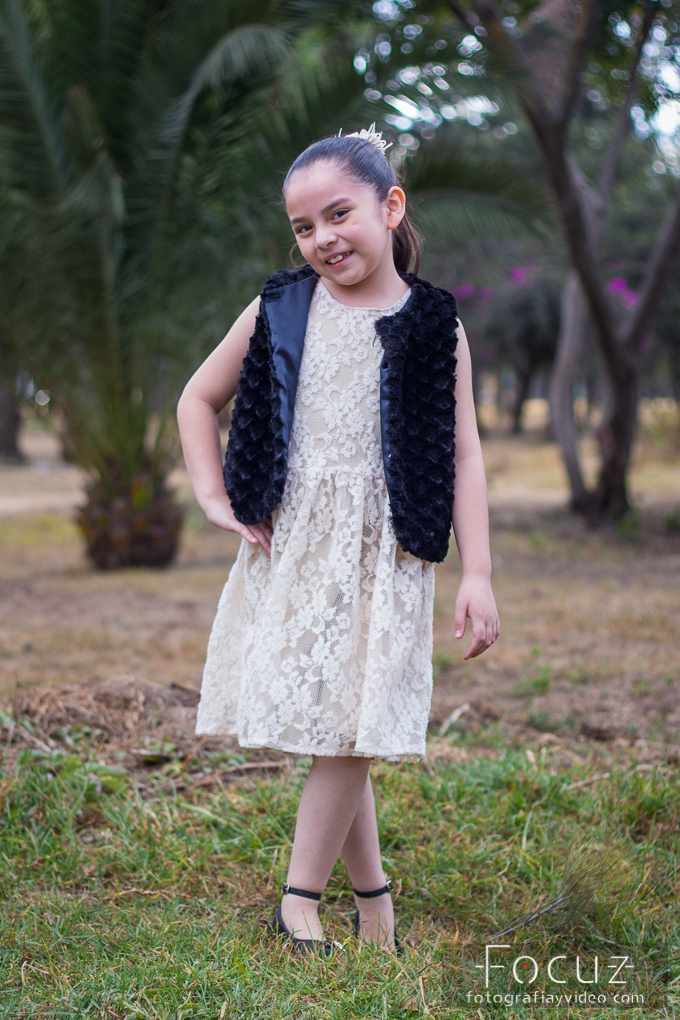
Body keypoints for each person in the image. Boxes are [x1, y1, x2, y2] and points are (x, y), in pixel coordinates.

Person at [176, 124, 500, 959]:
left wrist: (478, 573)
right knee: (340, 726)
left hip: (387, 552)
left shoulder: (434, 324)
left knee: (349, 723)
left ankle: (330, 901)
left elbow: (464, 453)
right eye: (303, 226)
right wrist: (212, 495)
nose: (322, 237)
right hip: (299, 546)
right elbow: (196, 399)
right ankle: (324, 903)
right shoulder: (282, 307)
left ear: (390, 207)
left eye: (338, 214)